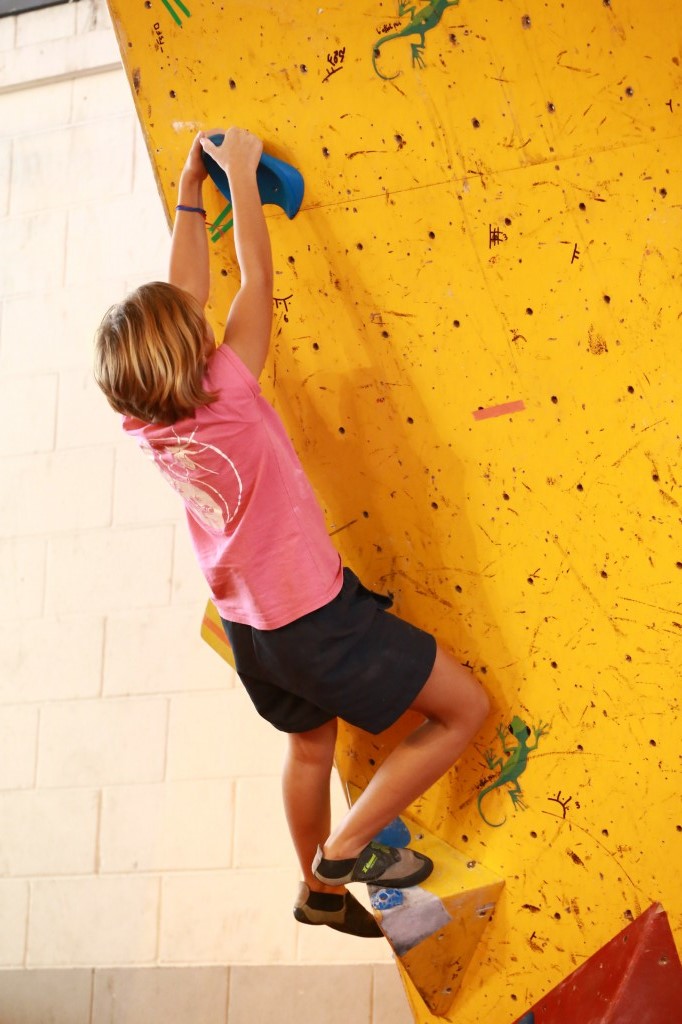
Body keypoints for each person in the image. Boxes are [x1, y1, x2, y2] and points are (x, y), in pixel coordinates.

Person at [94, 127, 490, 938]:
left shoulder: (146, 421)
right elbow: (258, 278)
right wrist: (240, 178)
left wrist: (189, 190)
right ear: (194, 346)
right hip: (313, 617)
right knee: (463, 710)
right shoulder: (231, 388)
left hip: (253, 630)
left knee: (310, 749)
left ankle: (318, 894)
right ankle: (344, 851)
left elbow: (186, 296)